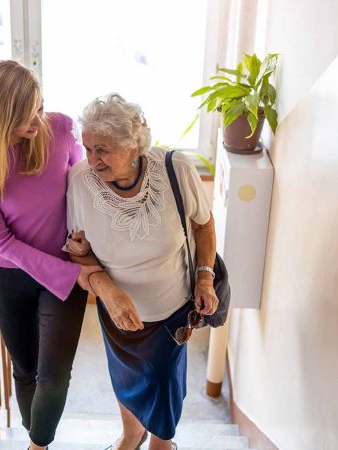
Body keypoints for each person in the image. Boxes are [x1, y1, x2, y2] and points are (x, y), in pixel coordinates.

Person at [0, 60, 102, 450]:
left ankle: (36, 445)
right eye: (26, 116)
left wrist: (82, 257)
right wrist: (69, 274)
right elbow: (0, 241)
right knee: (25, 371)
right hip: (9, 275)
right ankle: (38, 434)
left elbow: (81, 193)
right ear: (0, 117)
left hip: (66, 270)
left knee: (54, 373)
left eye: (39, 106)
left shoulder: (60, 128)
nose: (38, 121)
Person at [64, 94, 219, 450]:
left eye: (102, 149)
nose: (92, 160)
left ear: (132, 145)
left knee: (163, 380)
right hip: (116, 310)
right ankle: (132, 435)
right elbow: (79, 251)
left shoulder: (176, 169)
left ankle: (162, 443)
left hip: (172, 309)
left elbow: (204, 225)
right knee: (125, 375)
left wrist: (205, 276)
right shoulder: (80, 181)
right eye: (87, 148)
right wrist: (107, 292)